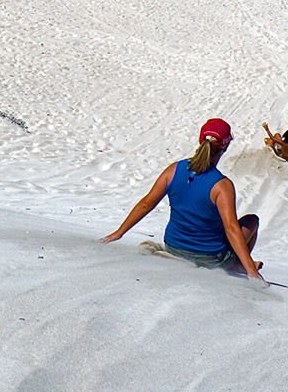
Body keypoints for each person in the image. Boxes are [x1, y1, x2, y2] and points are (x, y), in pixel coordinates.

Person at [100, 118, 263, 281]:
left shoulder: (173, 170)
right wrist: (252, 272)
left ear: (200, 140)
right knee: (252, 221)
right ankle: (240, 265)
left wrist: (118, 233)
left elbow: (145, 204)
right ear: (225, 146)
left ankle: (241, 263)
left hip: (174, 246)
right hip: (209, 257)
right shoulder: (222, 185)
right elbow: (231, 228)